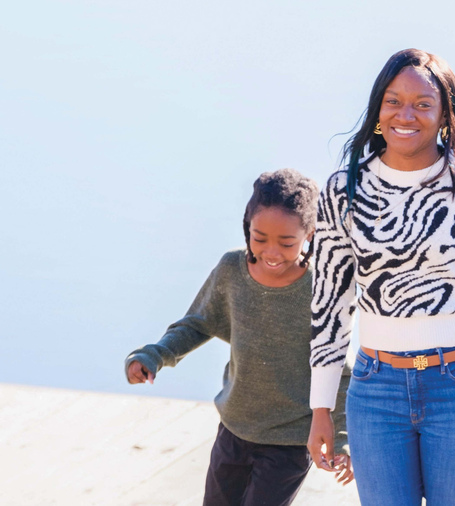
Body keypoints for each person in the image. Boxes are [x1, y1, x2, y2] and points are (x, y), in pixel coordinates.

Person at [306, 48, 455, 506]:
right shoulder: (342, 191)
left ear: (446, 114)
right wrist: (321, 408)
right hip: (375, 389)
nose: (405, 114)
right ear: (377, 110)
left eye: (423, 103)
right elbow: (330, 305)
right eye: (393, 101)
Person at [124, 169, 353, 506]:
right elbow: (197, 324)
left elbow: (338, 369)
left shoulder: (321, 287)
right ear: (247, 226)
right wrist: (154, 355)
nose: (271, 251)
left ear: (310, 233)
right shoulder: (232, 270)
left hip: (289, 440)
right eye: (259, 238)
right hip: (233, 430)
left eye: (286, 242)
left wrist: (343, 438)